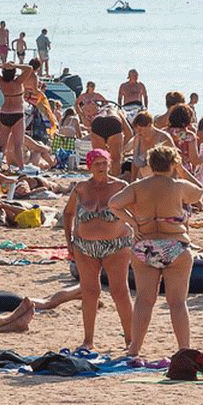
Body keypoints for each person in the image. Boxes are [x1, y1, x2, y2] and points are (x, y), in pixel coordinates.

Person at [109, 145, 203, 358]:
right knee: (177, 302)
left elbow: (113, 204)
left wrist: (133, 223)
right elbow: (200, 192)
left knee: (143, 300)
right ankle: (183, 348)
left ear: (150, 165)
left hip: (146, 246)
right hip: (175, 245)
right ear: (172, 164)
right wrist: (181, 170)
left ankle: (134, 348)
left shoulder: (138, 187)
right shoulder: (179, 186)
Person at [63, 149, 133, 349]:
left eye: (104, 163)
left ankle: (130, 339)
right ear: (89, 167)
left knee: (119, 291)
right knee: (90, 291)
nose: (101, 167)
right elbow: (68, 214)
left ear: (110, 164)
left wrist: (136, 234)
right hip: (84, 247)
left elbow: (136, 213)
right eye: (97, 164)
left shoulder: (121, 187)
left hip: (117, 245)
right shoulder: (81, 189)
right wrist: (69, 241)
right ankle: (88, 340)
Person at [0, 62, 32, 170]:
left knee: (2, 145)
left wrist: (3, 66)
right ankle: (21, 168)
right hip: (17, 113)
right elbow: (29, 68)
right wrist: (15, 65)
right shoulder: (18, 82)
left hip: (4, 113)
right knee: (18, 145)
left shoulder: (1, 82)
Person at [125, 111, 173, 180]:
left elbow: (174, 162)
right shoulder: (137, 138)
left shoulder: (163, 138)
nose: (138, 132)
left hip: (163, 181)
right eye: (136, 130)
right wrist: (133, 180)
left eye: (141, 129)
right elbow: (134, 164)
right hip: (144, 181)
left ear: (150, 125)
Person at [90, 103, 132, 177]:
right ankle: (115, 181)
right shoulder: (117, 111)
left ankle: (99, 180)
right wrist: (121, 148)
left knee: (99, 158)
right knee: (116, 160)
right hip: (113, 122)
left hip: (97, 122)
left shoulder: (100, 111)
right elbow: (129, 133)